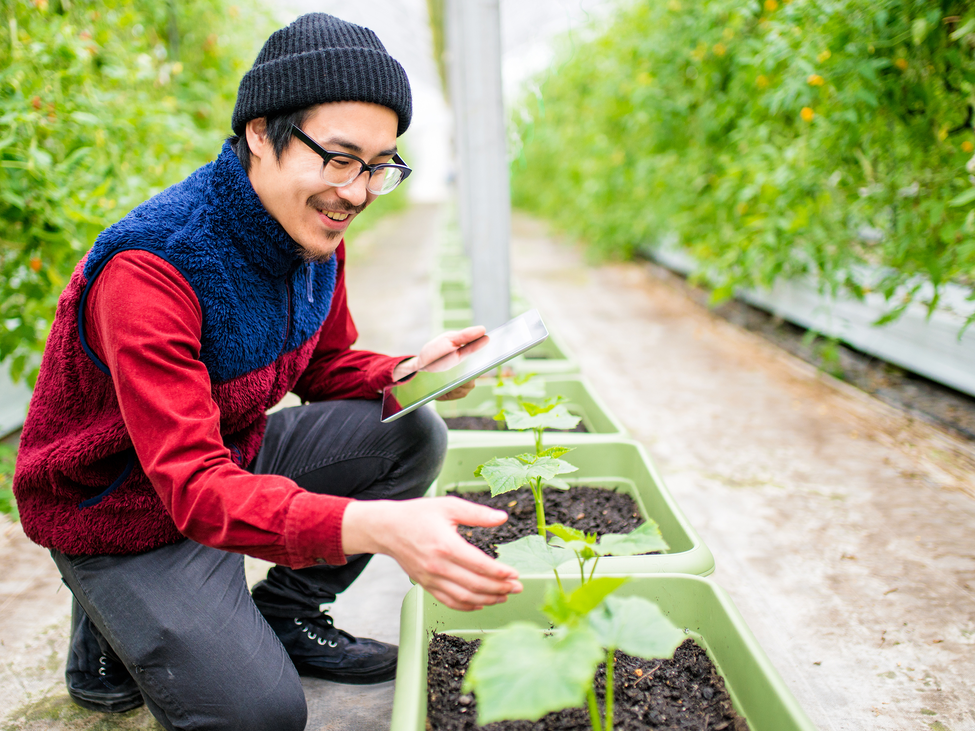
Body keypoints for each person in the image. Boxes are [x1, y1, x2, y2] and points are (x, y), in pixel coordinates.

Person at [12, 13, 521, 730]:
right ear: (259, 132)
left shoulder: (313, 229)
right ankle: (105, 608)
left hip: (226, 456)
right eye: (340, 158)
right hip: (121, 505)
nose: (359, 191)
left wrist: (412, 370)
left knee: (410, 432)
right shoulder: (154, 268)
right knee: (259, 714)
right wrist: (373, 525)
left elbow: (327, 363)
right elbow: (189, 487)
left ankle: (285, 615)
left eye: (380, 164)